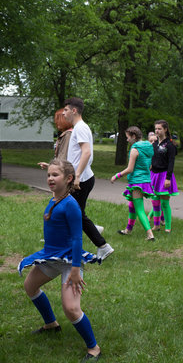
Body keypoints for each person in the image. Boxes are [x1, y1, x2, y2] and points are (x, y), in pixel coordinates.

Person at [19, 159, 101, 363]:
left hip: (69, 260)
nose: (50, 179)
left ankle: (94, 348)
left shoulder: (70, 204)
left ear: (69, 178)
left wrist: (75, 269)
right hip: (51, 256)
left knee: (71, 308)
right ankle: (51, 325)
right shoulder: (55, 199)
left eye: (55, 175)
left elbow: (76, 238)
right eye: (48, 175)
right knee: (30, 285)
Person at [61, 97, 114, 261]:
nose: (63, 113)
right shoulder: (78, 128)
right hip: (80, 177)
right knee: (74, 213)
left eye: (66, 110)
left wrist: (76, 177)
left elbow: (86, 152)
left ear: (74, 110)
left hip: (81, 179)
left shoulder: (80, 128)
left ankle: (103, 246)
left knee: (75, 214)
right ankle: (88, 235)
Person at [110, 126, 155, 241]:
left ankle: (150, 235)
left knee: (139, 209)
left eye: (128, 137)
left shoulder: (135, 149)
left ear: (134, 136)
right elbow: (150, 166)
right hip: (145, 180)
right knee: (132, 205)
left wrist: (117, 175)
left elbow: (130, 169)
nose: (127, 140)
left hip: (137, 181)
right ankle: (128, 230)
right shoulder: (149, 147)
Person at [149, 120, 179, 233]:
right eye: (156, 129)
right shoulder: (155, 143)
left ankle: (168, 226)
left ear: (165, 129)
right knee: (155, 202)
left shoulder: (170, 145)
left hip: (164, 176)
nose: (157, 131)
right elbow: (152, 158)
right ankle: (156, 225)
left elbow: (171, 162)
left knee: (165, 203)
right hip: (154, 176)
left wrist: (168, 178)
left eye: (159, 129)